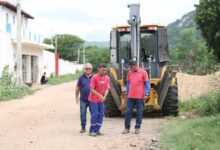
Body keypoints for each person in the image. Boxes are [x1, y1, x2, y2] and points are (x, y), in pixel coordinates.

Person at [123, 58, 150, 134]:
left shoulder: (143, 72)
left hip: (140, 97)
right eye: (130, 67)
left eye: (132, 66)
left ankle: (137, 128)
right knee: (128, 112)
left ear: (135, 65)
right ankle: (126, 128)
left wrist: (146, 94)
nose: (131, 68)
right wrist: (127, 93)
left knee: (139, 113)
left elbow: (147, 84)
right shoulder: (130, 72)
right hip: (131, 97)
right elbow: (128, 83)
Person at [88, 63, 110, 137]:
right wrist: (100, 95)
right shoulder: (94, 77)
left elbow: (107, 88)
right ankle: (91, 131)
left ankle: (97, 130)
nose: (104, 71)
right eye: (103, 70)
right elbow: (91, 89)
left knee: (101, 114)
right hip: (93, 100)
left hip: (101, 100)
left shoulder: (107, 78)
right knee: (95, 114)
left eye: (105, 70)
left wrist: (105, 96)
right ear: (98, 69)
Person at [75, 63, 93, 133]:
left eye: (89, 68)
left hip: (92, 100)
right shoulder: (81, 77)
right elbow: (77, 88)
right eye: (86, 68)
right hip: (83, 100)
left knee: (93, 114)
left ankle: (93, 127)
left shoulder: (94, 77)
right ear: (84, 69)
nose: (88, 70)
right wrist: (76, 97)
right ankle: (83, 127)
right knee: (82, 113)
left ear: (91, 69)